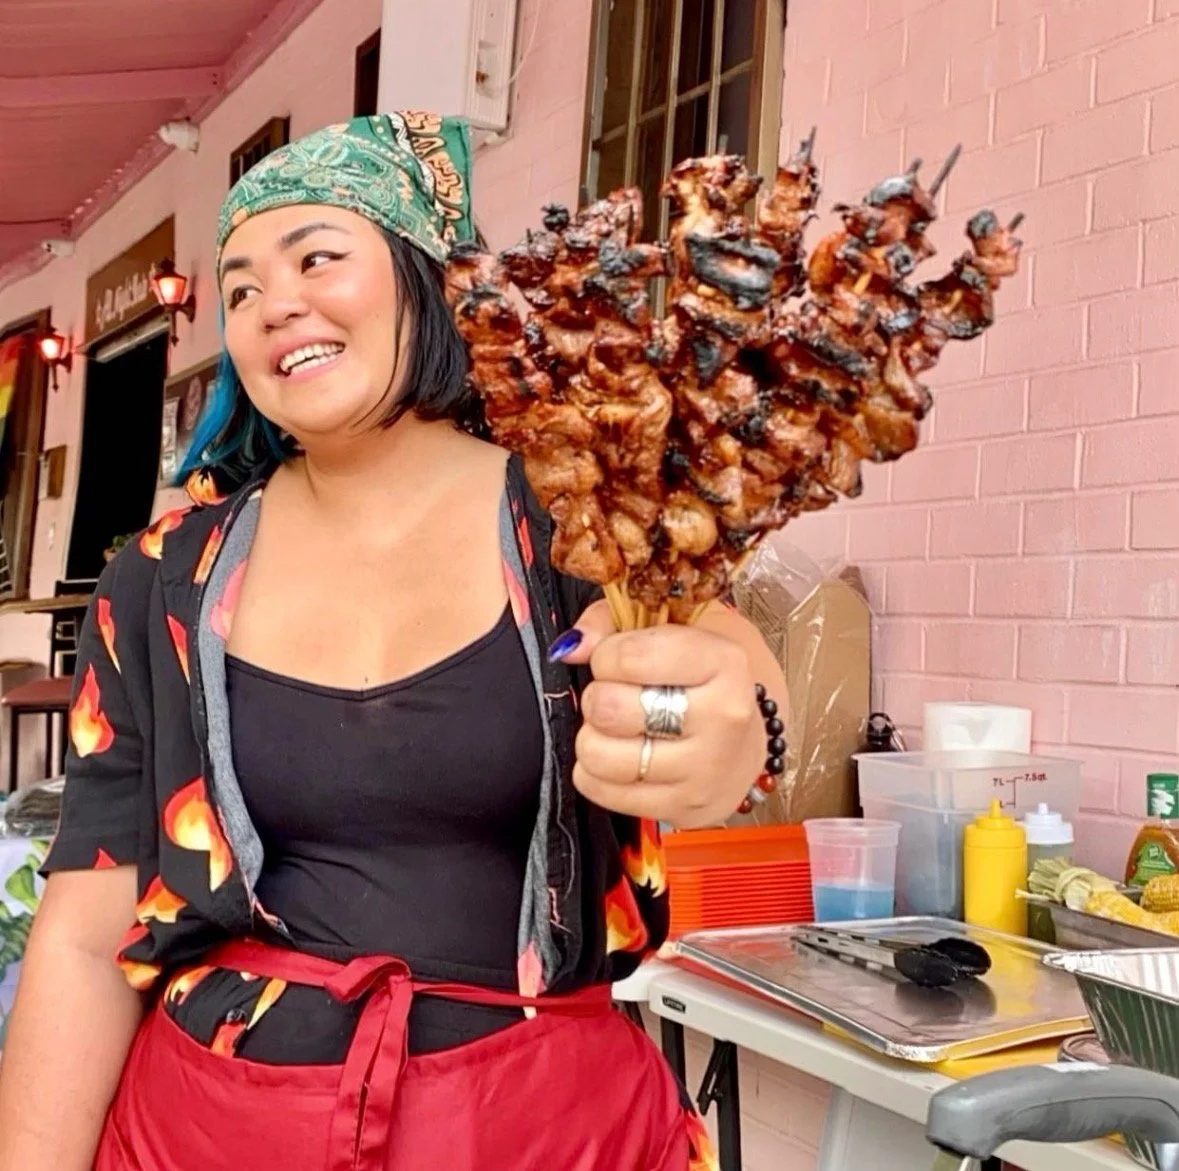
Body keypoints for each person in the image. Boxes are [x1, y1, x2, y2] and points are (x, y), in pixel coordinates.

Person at [0, 111, 787, 1171]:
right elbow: (87, 940)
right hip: (207, 1128)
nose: (275, 303)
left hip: (548, 1133)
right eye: (238, 289)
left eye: (317, 256)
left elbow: (730, 670)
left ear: (425, 278)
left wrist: (732, 730)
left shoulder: (583, 521)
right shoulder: (161, 579)